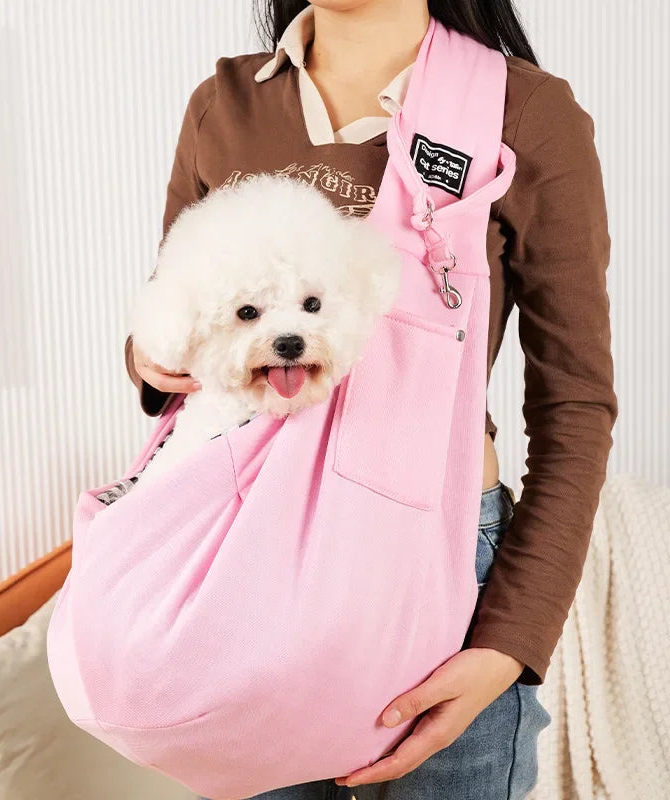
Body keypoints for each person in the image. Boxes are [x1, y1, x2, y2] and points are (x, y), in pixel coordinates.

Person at [124, 1, 618, 797]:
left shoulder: (521, 109)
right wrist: (151, 353)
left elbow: (576, 402)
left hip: (442, 567)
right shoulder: (227, 103)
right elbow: (175, 326)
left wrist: (511, 640)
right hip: (247, 556)